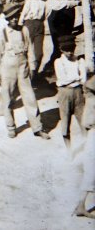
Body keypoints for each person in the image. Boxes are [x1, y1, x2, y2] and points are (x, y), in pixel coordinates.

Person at [0, 4, 50, 139]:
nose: (14, 20)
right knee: (8, 98)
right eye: (11, 18)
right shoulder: (2, 32)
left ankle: (37, 127)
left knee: (30, 96)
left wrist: (32, 67)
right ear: (7, 19)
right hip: (7, 68)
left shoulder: (24, 30)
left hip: (23, 67)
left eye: (16, 17)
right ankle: (11, 127)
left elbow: (30, 49)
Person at [54, 35, 87, 147]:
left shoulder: (79, 60)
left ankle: (88, 148)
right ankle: (69, 151)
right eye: (67, 50)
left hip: (78, 93)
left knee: (84, 121)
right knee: (65, 123)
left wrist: (75, 78)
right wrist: (76, 77)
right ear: (61, 50)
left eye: (71, 49)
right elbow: (63, 80)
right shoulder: (58, 62)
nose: (70, 52)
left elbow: (84, 78)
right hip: (65, 93)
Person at [74, 74, 95, 218]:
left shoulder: (90, 99)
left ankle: (81, 204)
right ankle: (81, 205)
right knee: (91, 171)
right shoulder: (92, 101)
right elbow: (88, 122)